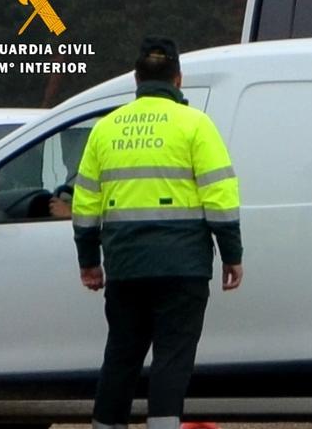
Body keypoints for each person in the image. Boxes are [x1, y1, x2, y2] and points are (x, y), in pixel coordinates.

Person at [72, 36, 243, 429]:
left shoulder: (106, 129)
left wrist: (89, 262)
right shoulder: (196, 125)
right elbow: (219, 195)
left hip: (127, 264)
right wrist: (231, 253)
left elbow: (84, 205)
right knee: (172, 357)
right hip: (183, 267)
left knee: (121, 354)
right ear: (178, 79)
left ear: (136, 79)